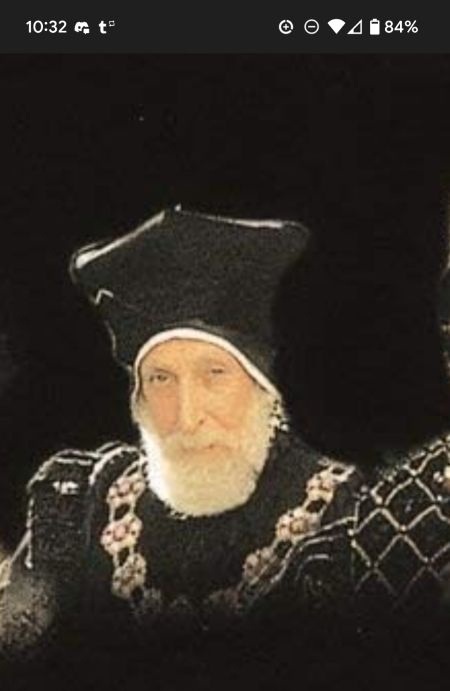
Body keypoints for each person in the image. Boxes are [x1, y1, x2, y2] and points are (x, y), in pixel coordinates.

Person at [0, 207, 358, 651]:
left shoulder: (349, 508)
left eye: (214, 374)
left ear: (264, 388)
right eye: (161, 379)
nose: (187, 418)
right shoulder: (82, 499)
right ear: (139, 399)